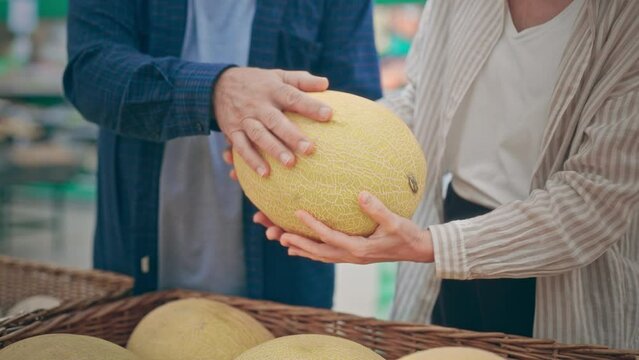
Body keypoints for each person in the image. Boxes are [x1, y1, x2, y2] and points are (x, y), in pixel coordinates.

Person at [251, 0, 639, 348]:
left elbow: (595, 199)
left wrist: (431, 246)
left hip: (558, 265)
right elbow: (420, 105)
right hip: (451, 230)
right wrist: (302, 154)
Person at [63, 0, 381, 309]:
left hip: (287, 280)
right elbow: (90, 73)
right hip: (133, 263)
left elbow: (355, 108)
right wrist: (216, 91)